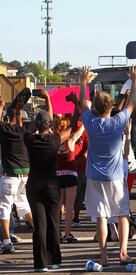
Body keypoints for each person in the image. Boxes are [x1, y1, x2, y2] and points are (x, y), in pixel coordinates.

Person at [79, 66, 136, 266]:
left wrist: (83, 82)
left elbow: (82, 105)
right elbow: (130, 105)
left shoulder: (91, 123)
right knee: (122, 214)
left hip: (95, 176)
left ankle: (103, 256)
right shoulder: (117, 122)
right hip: (115, 177)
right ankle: (122, 253)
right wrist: (134, 80)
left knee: (101, 216)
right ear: (111, 107)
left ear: (95, 107)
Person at [24, 90, 71, 272]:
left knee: (39, 225)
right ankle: (55, 260)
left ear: (36, 124)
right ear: (50, 125)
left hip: (34, 186)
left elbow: (25, 129)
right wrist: (49, 100)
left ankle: (40, 263)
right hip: (52, 186)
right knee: (53, 223)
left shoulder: (30, 140)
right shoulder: (54, 140)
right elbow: (70, 128)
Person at [0, 88, 34, 254]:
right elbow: (19, 122)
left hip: (10, 176)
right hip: (25, 175)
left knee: (4, 208)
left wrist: (1, 107)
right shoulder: (24, 132)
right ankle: (41, 233)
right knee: (24, 205)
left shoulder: (5, 131)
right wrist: (18, 110)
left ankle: (6, 241)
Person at [54, 102, 85, 243]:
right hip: (71, 174)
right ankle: (67, 233)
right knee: (70, 205)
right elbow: (80, 128)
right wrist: (80, 110)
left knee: (59, 205)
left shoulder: (53, 142)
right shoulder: (71, 141)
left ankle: (58, 233)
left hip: (57, 175)